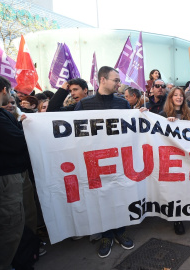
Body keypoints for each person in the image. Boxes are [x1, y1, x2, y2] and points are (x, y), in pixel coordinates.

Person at [75, 66, 133, 258]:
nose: (119, 83)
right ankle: (106, 235)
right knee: (102, 197)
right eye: (116, 80)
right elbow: (74, 131)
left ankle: (120, 230)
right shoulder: (84, 104)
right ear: (102, 80)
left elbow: (132, 129)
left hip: (119, 160)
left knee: (120, 194)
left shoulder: (123, 104)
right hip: (95, 162)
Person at [156, 87, 190, 235]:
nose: (179, 98)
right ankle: (177, 219)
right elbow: (157, 134)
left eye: (181, 95)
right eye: (176, 95)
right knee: (176, 190)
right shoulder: (163, 114)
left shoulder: (188, 114)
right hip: (172, 159)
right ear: (171, 98)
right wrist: (167, 122)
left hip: (188, 158)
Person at [0, 75, 29, 269]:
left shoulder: (3, 115)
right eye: (9, 92)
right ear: (4, 91)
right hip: (6, 178)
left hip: (10, 173)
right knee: (11, 225)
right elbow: (17, 141)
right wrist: (26, 128)